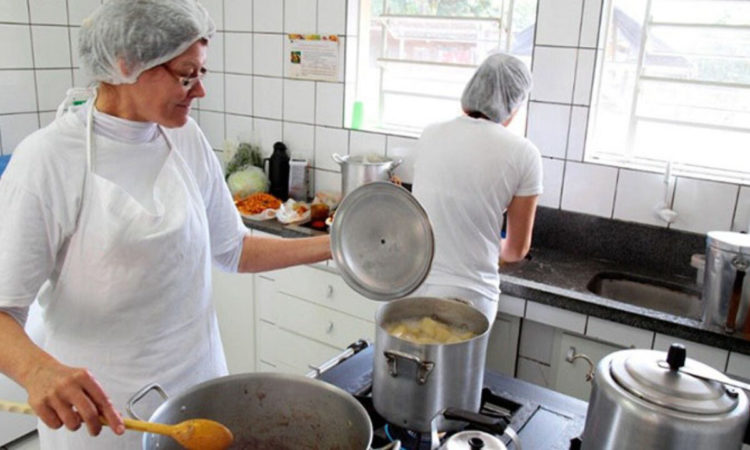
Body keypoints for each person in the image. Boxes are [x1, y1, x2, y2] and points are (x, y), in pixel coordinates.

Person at [0, 1, 330, 448]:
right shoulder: (48, 159)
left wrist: (339, 245)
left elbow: (234, 249)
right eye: (186, 74)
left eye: (202, 74)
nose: (199, 92)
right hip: (103, 415)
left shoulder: (185, 137)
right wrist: (37, 370)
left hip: (198, 393)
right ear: (126, 64)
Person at [410, 52, 542, 323]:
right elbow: (516, 250)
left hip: (413, 285)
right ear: (514, 104)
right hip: (470, 298)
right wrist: (495, 248)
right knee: (460, 367)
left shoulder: (430, 133)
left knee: (410, 364)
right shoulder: (524, 153)